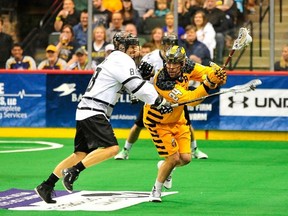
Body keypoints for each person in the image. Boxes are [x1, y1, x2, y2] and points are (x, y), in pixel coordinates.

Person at [34, 31, 173, 204]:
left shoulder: (115, 59)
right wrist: (160, 101)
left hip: (86, 109)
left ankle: (46, 186)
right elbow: (136, 87)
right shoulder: (122, 59)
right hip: (94, 109)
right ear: (122, 47)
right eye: (131, 46)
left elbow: (129, 88)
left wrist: (139, 76)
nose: (135, 49)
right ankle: (74, 171)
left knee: (80, 153)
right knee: (112, 148)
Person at [144, 45, 227, 202]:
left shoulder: (189, 65)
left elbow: (206, 72)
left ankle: (165, 167)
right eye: (168, 62)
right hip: (158, 122)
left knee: (186, 159)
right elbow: (191, 100)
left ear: (182, 63)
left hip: (178, 120)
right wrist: (209, 84)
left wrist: (216, 75)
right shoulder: (162, 81)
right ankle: (156, 190)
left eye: (175, 63)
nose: (171, 66)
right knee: (174, 158)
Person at [115, 33, 208, 160]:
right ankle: (125, 150)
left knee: (186, 123)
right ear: (161, 44)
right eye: (167, 44)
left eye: (172, 44)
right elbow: (139, 75)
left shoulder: (180, 56)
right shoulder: (150, 57)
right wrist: (137, 94)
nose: (169, 47)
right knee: (138, 125)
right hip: (155, 98)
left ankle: (194, 149)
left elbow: (189, 71)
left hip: (178, 94)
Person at [203, 0, 229, 65]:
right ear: (205, 3)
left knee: (219, 36)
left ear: (215, 3)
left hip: (216, 33)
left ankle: (219, 61)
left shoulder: (220, 13)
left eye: (212, 1)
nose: (210, 3)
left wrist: (212, 32)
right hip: (202, 32)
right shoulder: (201, 12)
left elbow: (224, 27)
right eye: (208, 1)